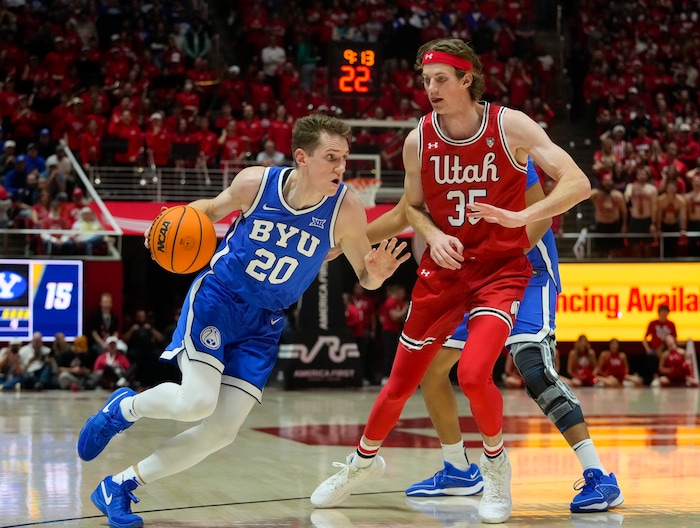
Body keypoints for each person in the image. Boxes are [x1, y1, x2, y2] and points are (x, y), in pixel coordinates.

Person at [76, 113, 410, 528]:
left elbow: (365, 275)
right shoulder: (257, 183)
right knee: (196, 401)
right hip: (219, 297)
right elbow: (208, 211)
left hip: (265, 322)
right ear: (302, 157)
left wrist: (377, 273)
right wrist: (165, 225)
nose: (341, 168)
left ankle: (119, 486)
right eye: (331, 158)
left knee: (221, 432)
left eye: (344, 158)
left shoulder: (346, 209)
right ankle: (123, 409)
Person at [311, 38, 593, 524]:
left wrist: (519, 216)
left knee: (473, 372)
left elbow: (577, 183)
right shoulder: (418, 139)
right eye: (425, 80)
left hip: (500, 272)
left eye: (441, 79)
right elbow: (410, 210)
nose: (431, 88)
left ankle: (496, 470)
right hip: (443, 273)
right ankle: (360, 464)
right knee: (403, 381)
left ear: (468, 79)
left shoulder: (511, 126)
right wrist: (366, 239)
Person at [329, 158, 621, 516]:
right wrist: (345, 242)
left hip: (526, 270)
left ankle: (598, 475)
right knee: (432, 370)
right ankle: (459, 469)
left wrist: (497, 258)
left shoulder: (506, 148)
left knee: (533, 368)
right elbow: (405, 212)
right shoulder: (434, 153)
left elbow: (541, 218)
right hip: (471, 274)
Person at [642, 304, 677, 385]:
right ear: (659, 312)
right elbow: (644, 339)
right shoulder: (653, 323)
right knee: (650, 355)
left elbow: (674, 339)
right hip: (654, 349)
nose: (664, 313)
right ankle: (655, 376)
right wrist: (648, 349)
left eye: (666, 311)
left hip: (667, 349)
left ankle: (670, 376)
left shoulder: (671, 324)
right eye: (662, 311)